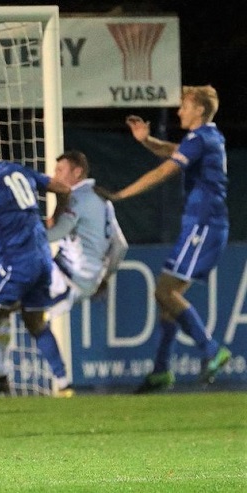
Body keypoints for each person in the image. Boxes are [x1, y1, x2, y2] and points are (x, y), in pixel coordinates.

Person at [0, 150, 128, 399]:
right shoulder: (102, 200)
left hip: (66, 276)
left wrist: (17, 228)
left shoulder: (77, 199)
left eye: (60, 171)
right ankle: (61, 383)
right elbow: (121, 245)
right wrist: (104, 277)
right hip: (74, 274)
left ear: (77, 172)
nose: (55, 175)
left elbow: (53, 233)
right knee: (29, 319)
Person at [100, 85, 231, 393]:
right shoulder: (208, 138)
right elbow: (173, 151)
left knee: (165, 291)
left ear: (198, 110)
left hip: (204, 225)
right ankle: (161, 370)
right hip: (200, 224)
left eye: (184, 106)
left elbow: (163, 172)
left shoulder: (201, 138)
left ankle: (211, 349)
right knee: (165, 300)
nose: (179, 111)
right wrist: (147, 140)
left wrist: (122, 194)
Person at [0, 129, 74, 400]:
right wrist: (54, 216)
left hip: (16, 262)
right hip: (43, 259)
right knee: (34, 323)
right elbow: (63, 189)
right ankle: (64, 384)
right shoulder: (20, 171)